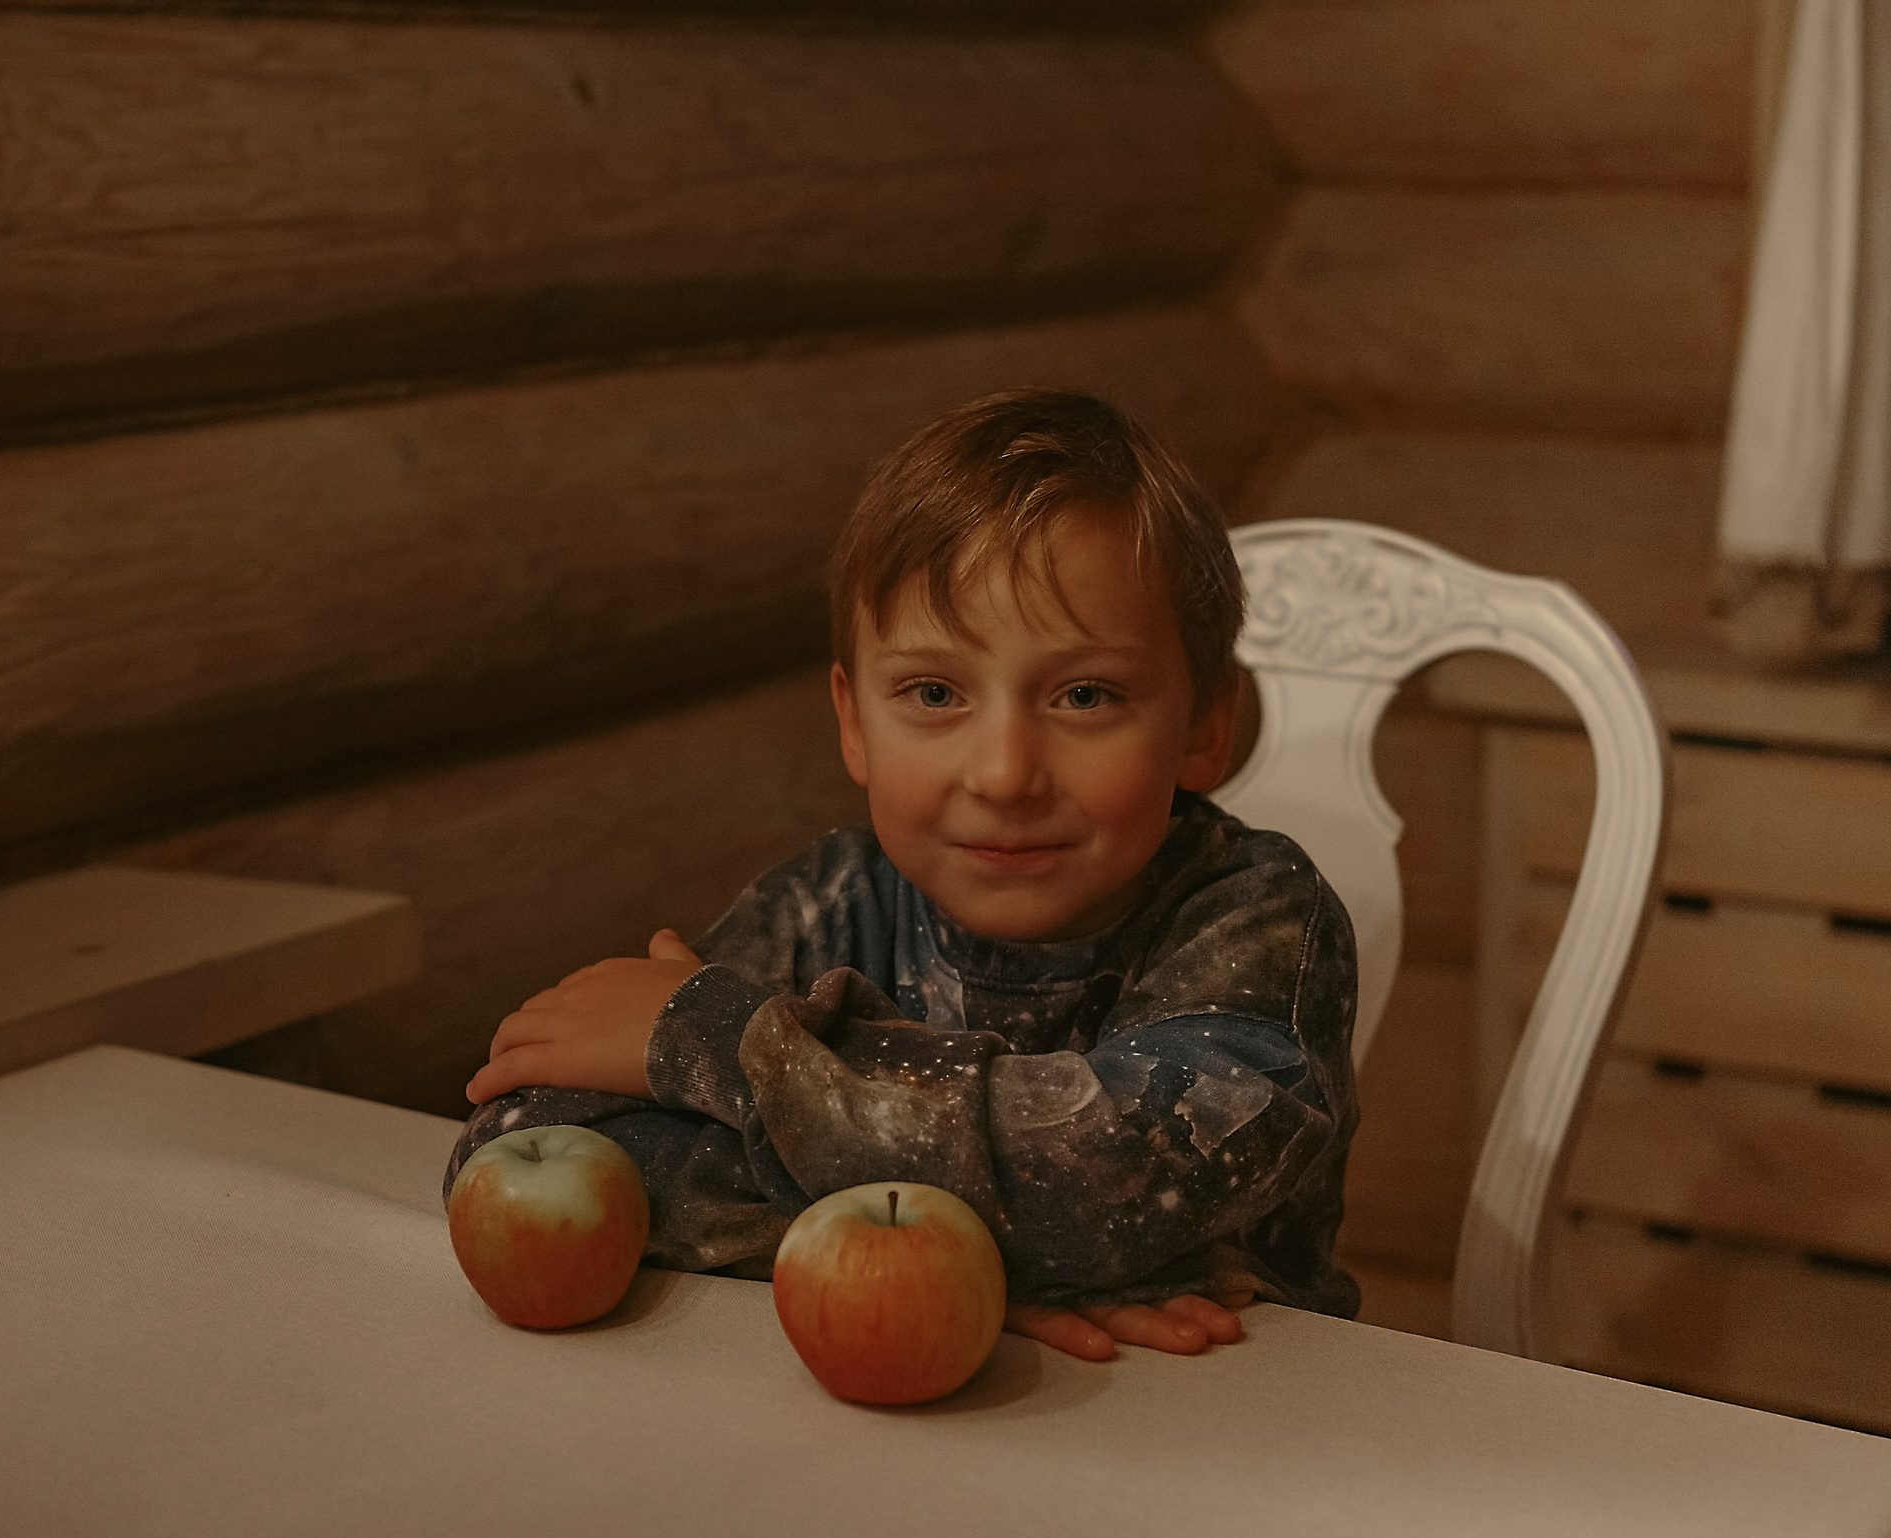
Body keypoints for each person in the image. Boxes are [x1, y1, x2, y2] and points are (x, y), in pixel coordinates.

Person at [449, 388, 1361, 1360]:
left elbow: (1106, 1170)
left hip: (1232, 1422)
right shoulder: (826, 902)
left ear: (1206, 725)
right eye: (933, 692)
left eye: (1085, 695)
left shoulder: (1260, 919)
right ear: (853, 721)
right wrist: (966, 1260)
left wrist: (719, 1043)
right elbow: (515, 1144)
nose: (1005, 774)